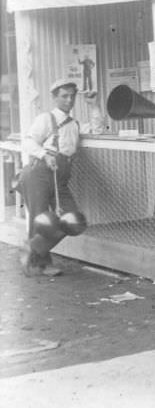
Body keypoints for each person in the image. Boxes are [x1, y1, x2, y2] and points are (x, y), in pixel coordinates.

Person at [18, 79, 103, 276]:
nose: (69, 100)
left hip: (60, 178)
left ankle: (32, 250)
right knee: (41, 221)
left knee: (72, 219)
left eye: (72, 96)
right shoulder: (45, 118)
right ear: (55, 97)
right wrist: (44, 155)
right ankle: (41, 265)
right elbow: (28, 142)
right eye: (64, 96)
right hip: (38, 173)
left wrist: (93, 105)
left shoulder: (74, 124)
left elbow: (98, 130)